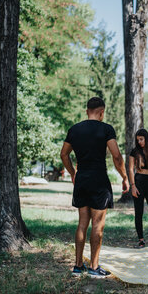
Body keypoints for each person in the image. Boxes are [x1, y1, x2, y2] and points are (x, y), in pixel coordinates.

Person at [60, 97, 129, 278]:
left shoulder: (75, 129)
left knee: (82, 223)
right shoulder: (106, 129)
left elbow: (64, 154)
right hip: (99, 180)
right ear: (102, 112)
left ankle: (77, 266)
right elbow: (116, 156)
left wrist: (73, 173)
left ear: (86, 111)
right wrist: (124, 177)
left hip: (82, 179)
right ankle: (94, 267)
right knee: (98, 225)